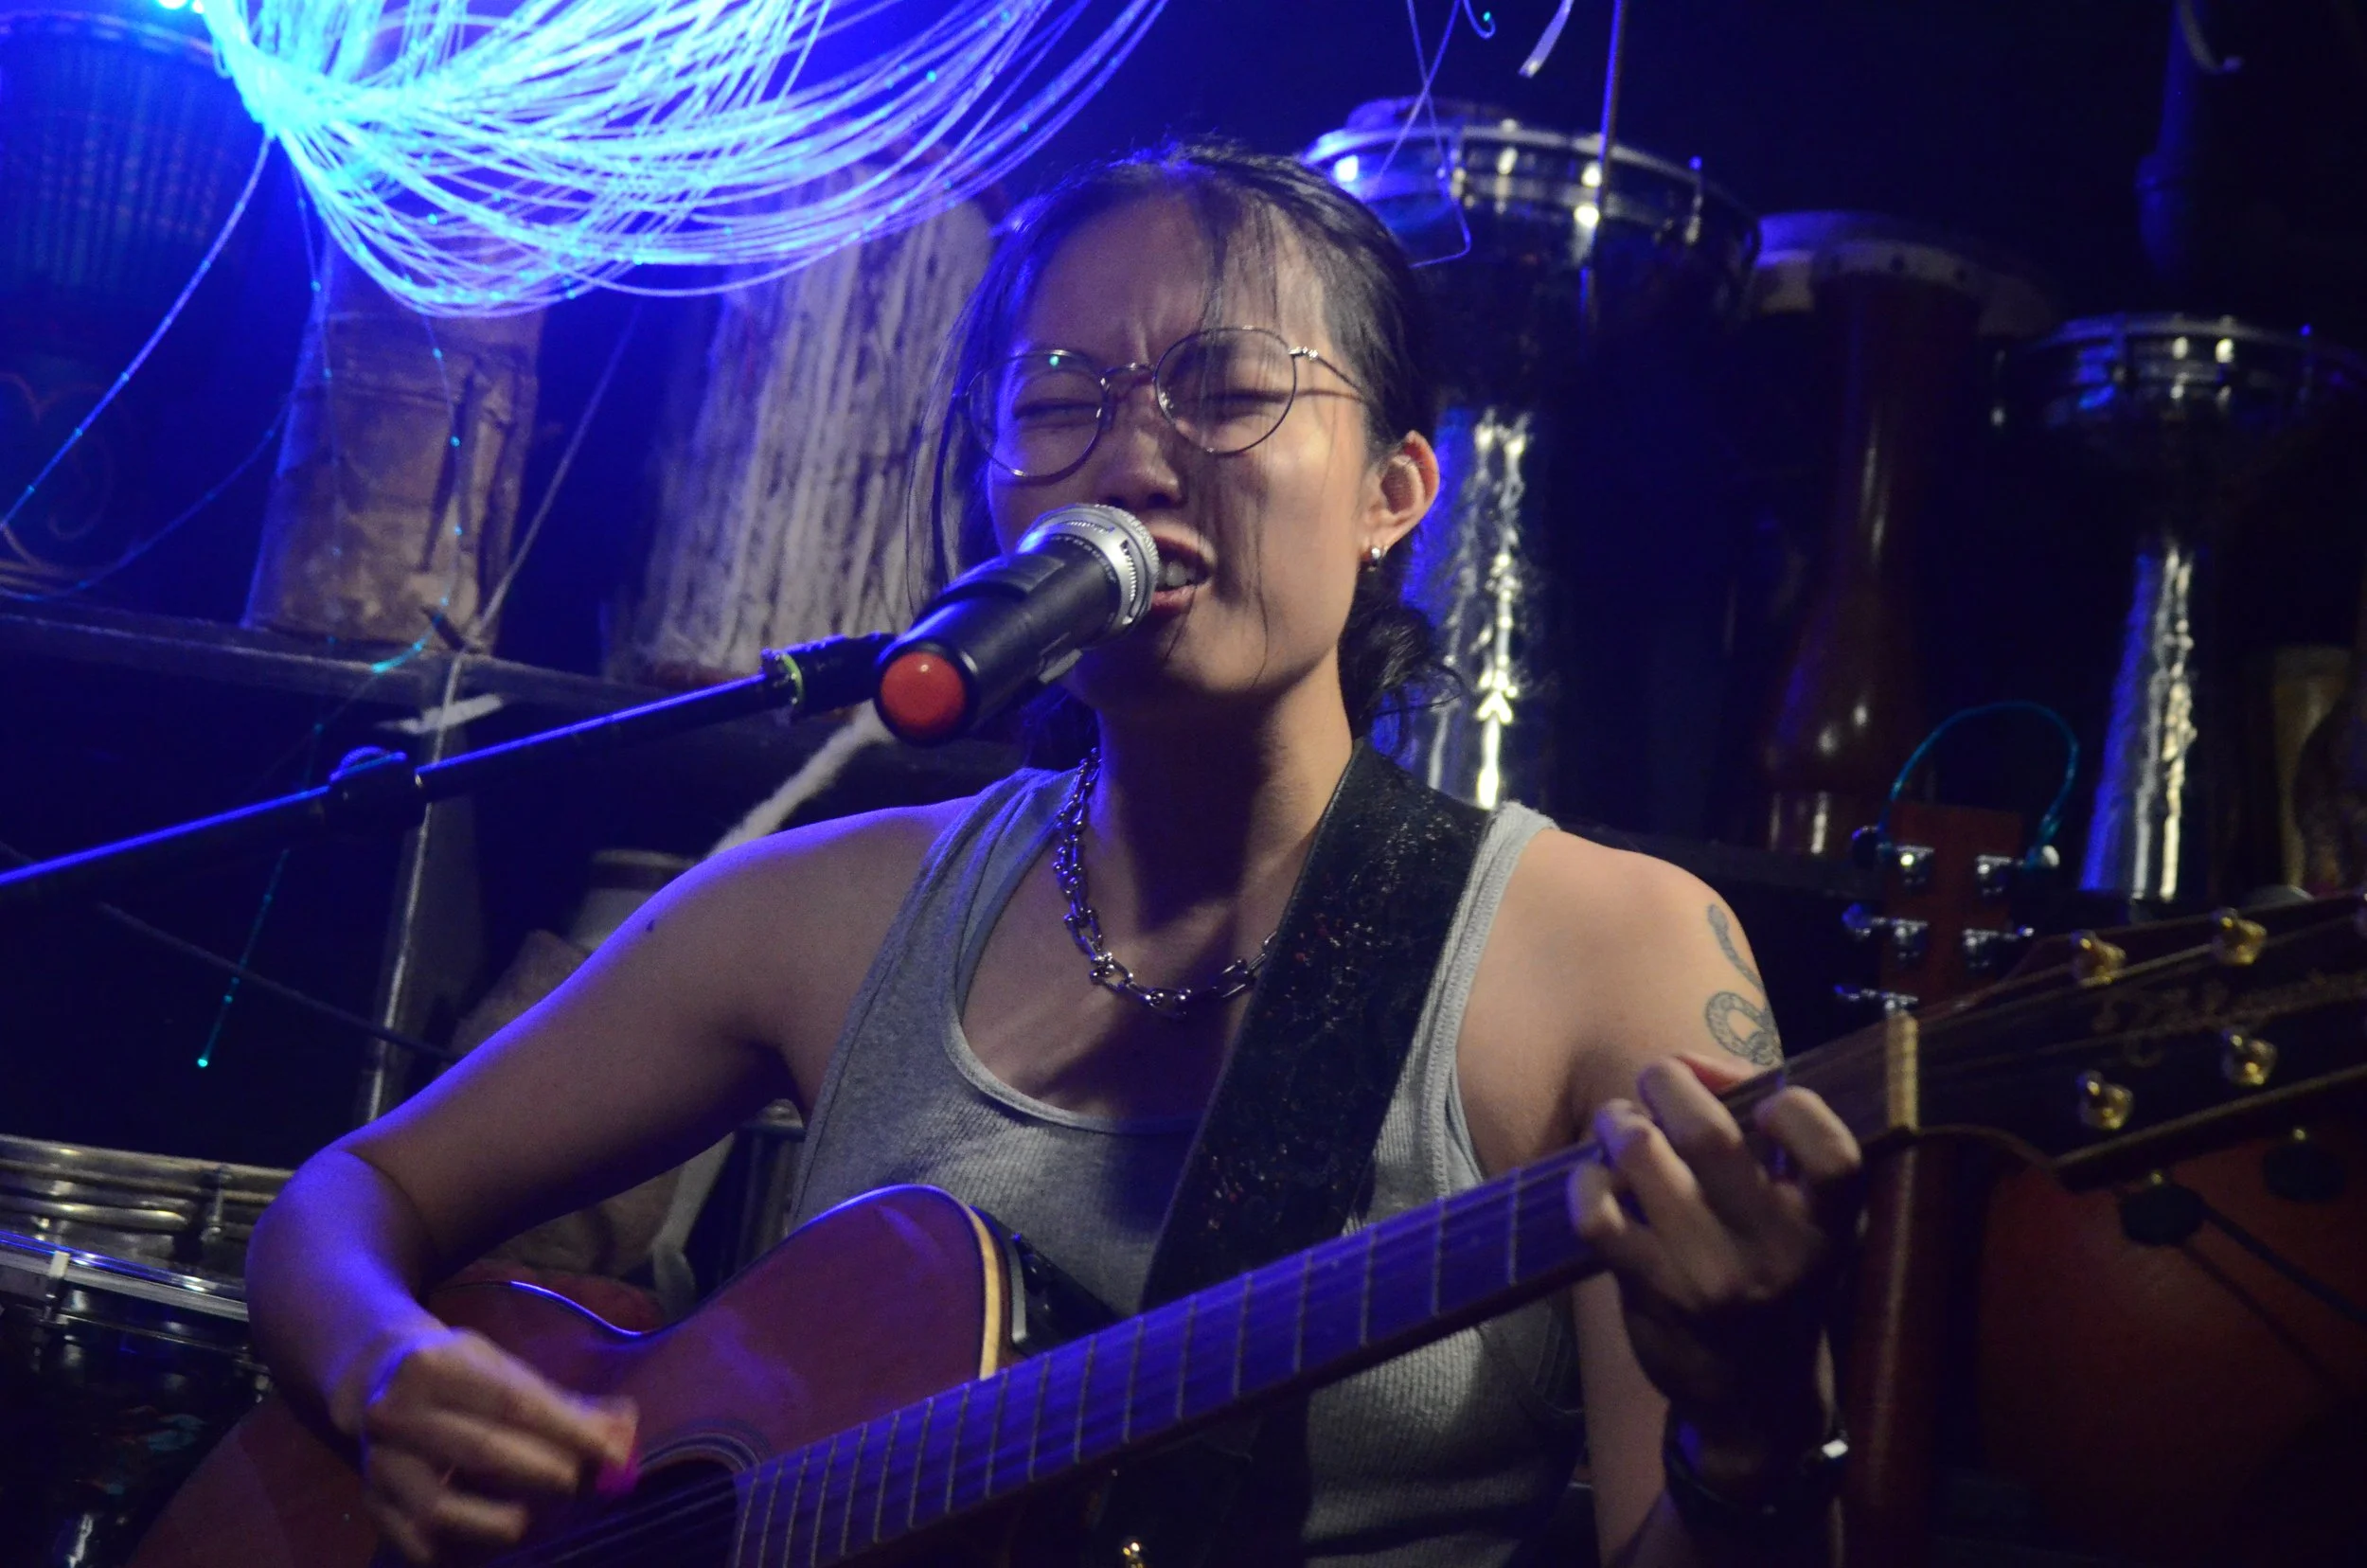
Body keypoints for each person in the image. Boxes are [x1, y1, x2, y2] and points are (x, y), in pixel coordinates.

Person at [245, 141, 1864, 1568]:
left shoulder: (1609, 953)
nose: (1134, 463)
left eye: (1226, 392)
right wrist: (388, 1372)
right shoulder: (831, 909)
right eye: (1061, 402)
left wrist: (1752, 1438)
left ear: (1394, 493)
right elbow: (345, 1199)